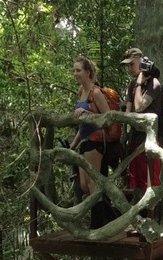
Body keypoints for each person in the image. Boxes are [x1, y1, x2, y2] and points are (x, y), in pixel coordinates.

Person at [69, 56, 115, 228]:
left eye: (78, 70)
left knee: (93, 184)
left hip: (96, 142)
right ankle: (111, 216)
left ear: (87, 72)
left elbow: (108, 118)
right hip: (84, 141)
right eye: (74, 70)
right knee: (84, 186)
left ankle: (97, 226)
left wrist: (87, 114)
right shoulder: (81, 92)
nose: (75, 74)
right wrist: (73, 145)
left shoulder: (96, 93)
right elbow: (82, 126)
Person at [121, 47, 163, 190]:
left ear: (141, 61)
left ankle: (150, 211)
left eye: (131, 64)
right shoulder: (132, 85)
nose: (129, 68)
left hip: (150, 141)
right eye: (127, 65)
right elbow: (128, 111)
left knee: (150, 184)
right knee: (136, 182)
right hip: (135, 139)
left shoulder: (154, 84)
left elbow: (139, 106)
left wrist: (140, 83)